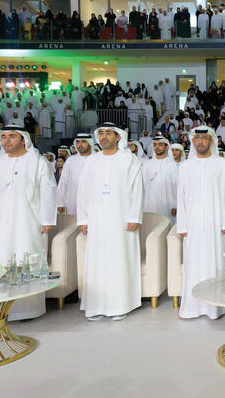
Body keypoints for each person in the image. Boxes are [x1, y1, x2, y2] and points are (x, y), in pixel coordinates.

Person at [0, 125, 57, 320]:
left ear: (23, 139)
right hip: (2, 226)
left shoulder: (37, 162)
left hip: (29, 223)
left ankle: (30, 309)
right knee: (3, 261)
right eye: (4, 137)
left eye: (12, 136)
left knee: (28, 259)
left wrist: (47, 219)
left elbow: (48, 190)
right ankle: (4, 311)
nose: (7, 141)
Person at [77, 122, 144, 321]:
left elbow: (138, 190)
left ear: (118, 137)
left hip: (121, 219)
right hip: (97, 220)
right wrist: (83, 218)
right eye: (101, 134)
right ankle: (96, 306)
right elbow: (82, 191)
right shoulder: (91, 161)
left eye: (108, 133)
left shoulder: (129, 160)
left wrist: (134, 217)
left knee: (118, 261)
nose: (104, 137)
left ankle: (120, 304)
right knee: (97, 262)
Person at [177, 126, 225, 319]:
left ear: (212, 141)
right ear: (193, 141)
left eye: (204, 138)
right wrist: (182, 225)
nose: (201, 142)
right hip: (193, 225)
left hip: (216, 225)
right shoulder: (185, 166)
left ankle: (215, 307)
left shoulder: (222, 165)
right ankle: (192, 307)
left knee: (215, 264)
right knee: (193, 264)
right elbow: (181, 198)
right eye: (197, 138)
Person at [142, 136, 178, 224]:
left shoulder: (173, 165)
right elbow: (141, 186)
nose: (157, 147)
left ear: (166, 147)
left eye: (160, 145)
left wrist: (176, 205)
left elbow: (178, 187)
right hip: (150, 204)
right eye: (155, 145)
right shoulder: (147, 165)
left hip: (169, 206)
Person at [57, 133, 94, 215]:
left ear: (90, 143)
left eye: (83, 142)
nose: (80, 145)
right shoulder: (70, 160)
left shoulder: (97, 159)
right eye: (77, 142)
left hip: (94, 201)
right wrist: (60, 202)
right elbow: (63, 182)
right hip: (73, 201)